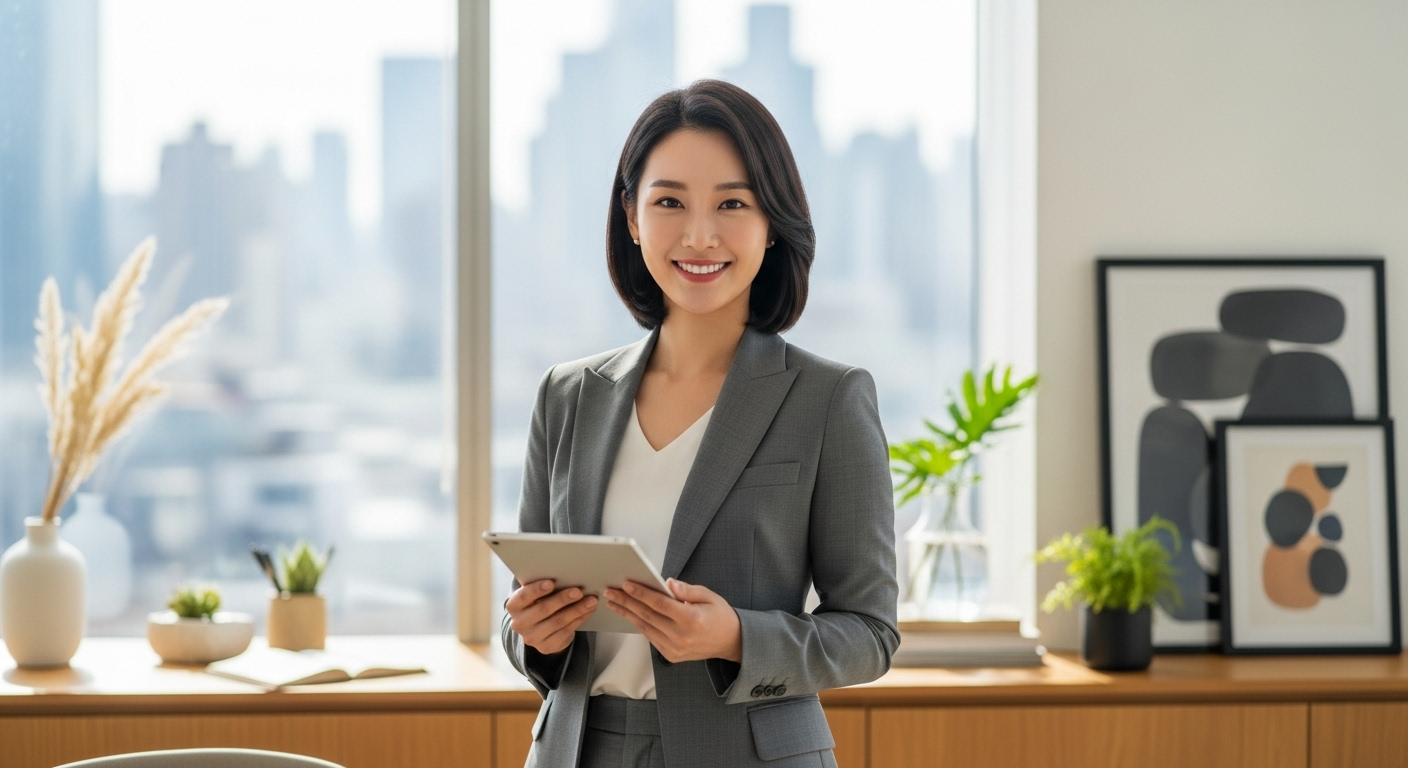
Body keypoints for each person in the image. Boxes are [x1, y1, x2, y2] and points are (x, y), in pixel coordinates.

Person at [501, 79, 898, 768]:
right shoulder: (567, 395)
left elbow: (869, 632)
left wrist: (735, 636)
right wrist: (535, 632)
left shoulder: (829, 399)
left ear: (771, 221)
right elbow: (524, 611)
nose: (699, 234)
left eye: (732, 204)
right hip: (578, 751)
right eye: (670, 202)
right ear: (631, 215)